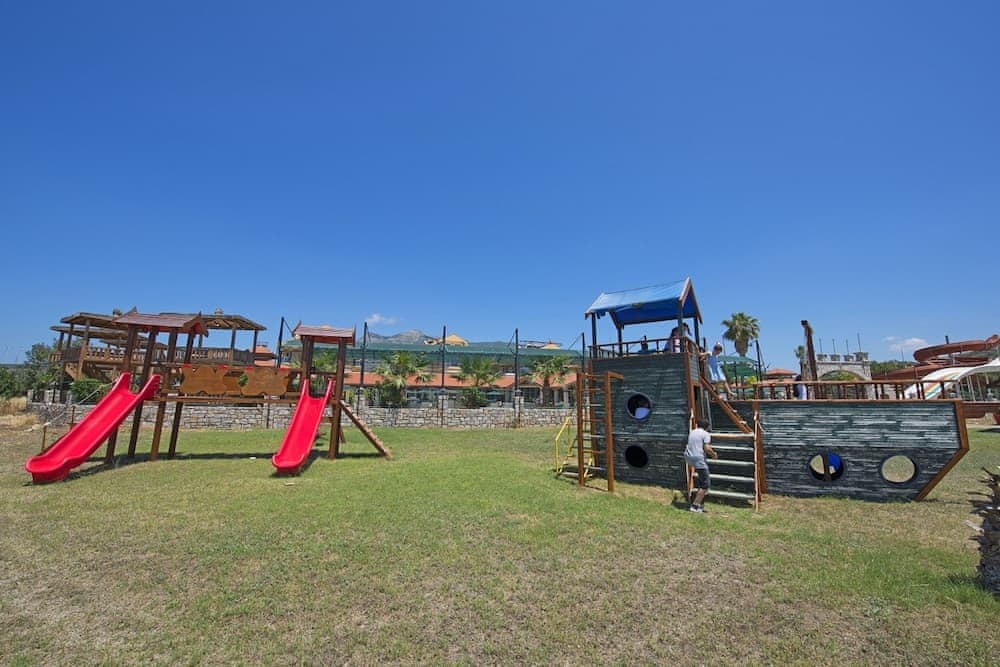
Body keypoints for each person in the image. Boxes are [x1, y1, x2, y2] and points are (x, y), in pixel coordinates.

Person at [684, 419, 718, 513]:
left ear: (697, 425)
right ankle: (695, 506)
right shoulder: (705, 434)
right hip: (698, 458)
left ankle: (698, 501)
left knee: (701, 479)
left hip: (689, 456)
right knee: (705, 484)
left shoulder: (692, 432)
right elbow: (707, 448)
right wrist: (714, 455)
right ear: (707, 427)